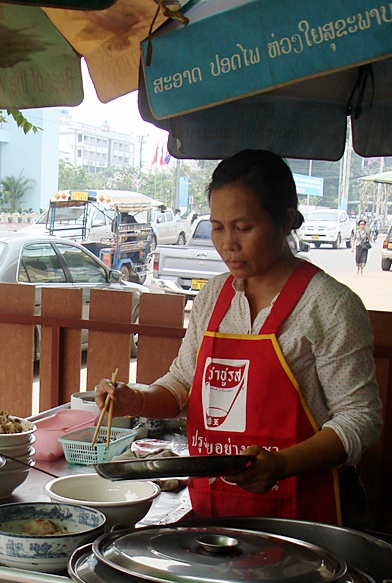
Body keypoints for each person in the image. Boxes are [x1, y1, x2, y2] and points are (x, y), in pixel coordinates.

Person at [95, 149, 382, 527]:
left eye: (243, 228)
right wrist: (136, 398)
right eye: (217, 227)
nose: (228, 243)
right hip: (218, 511)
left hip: (307, 518)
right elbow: (182, 383)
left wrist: (280, 465)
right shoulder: (213, 297)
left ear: (286, 221)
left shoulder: (329, 305)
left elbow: (360, 418)